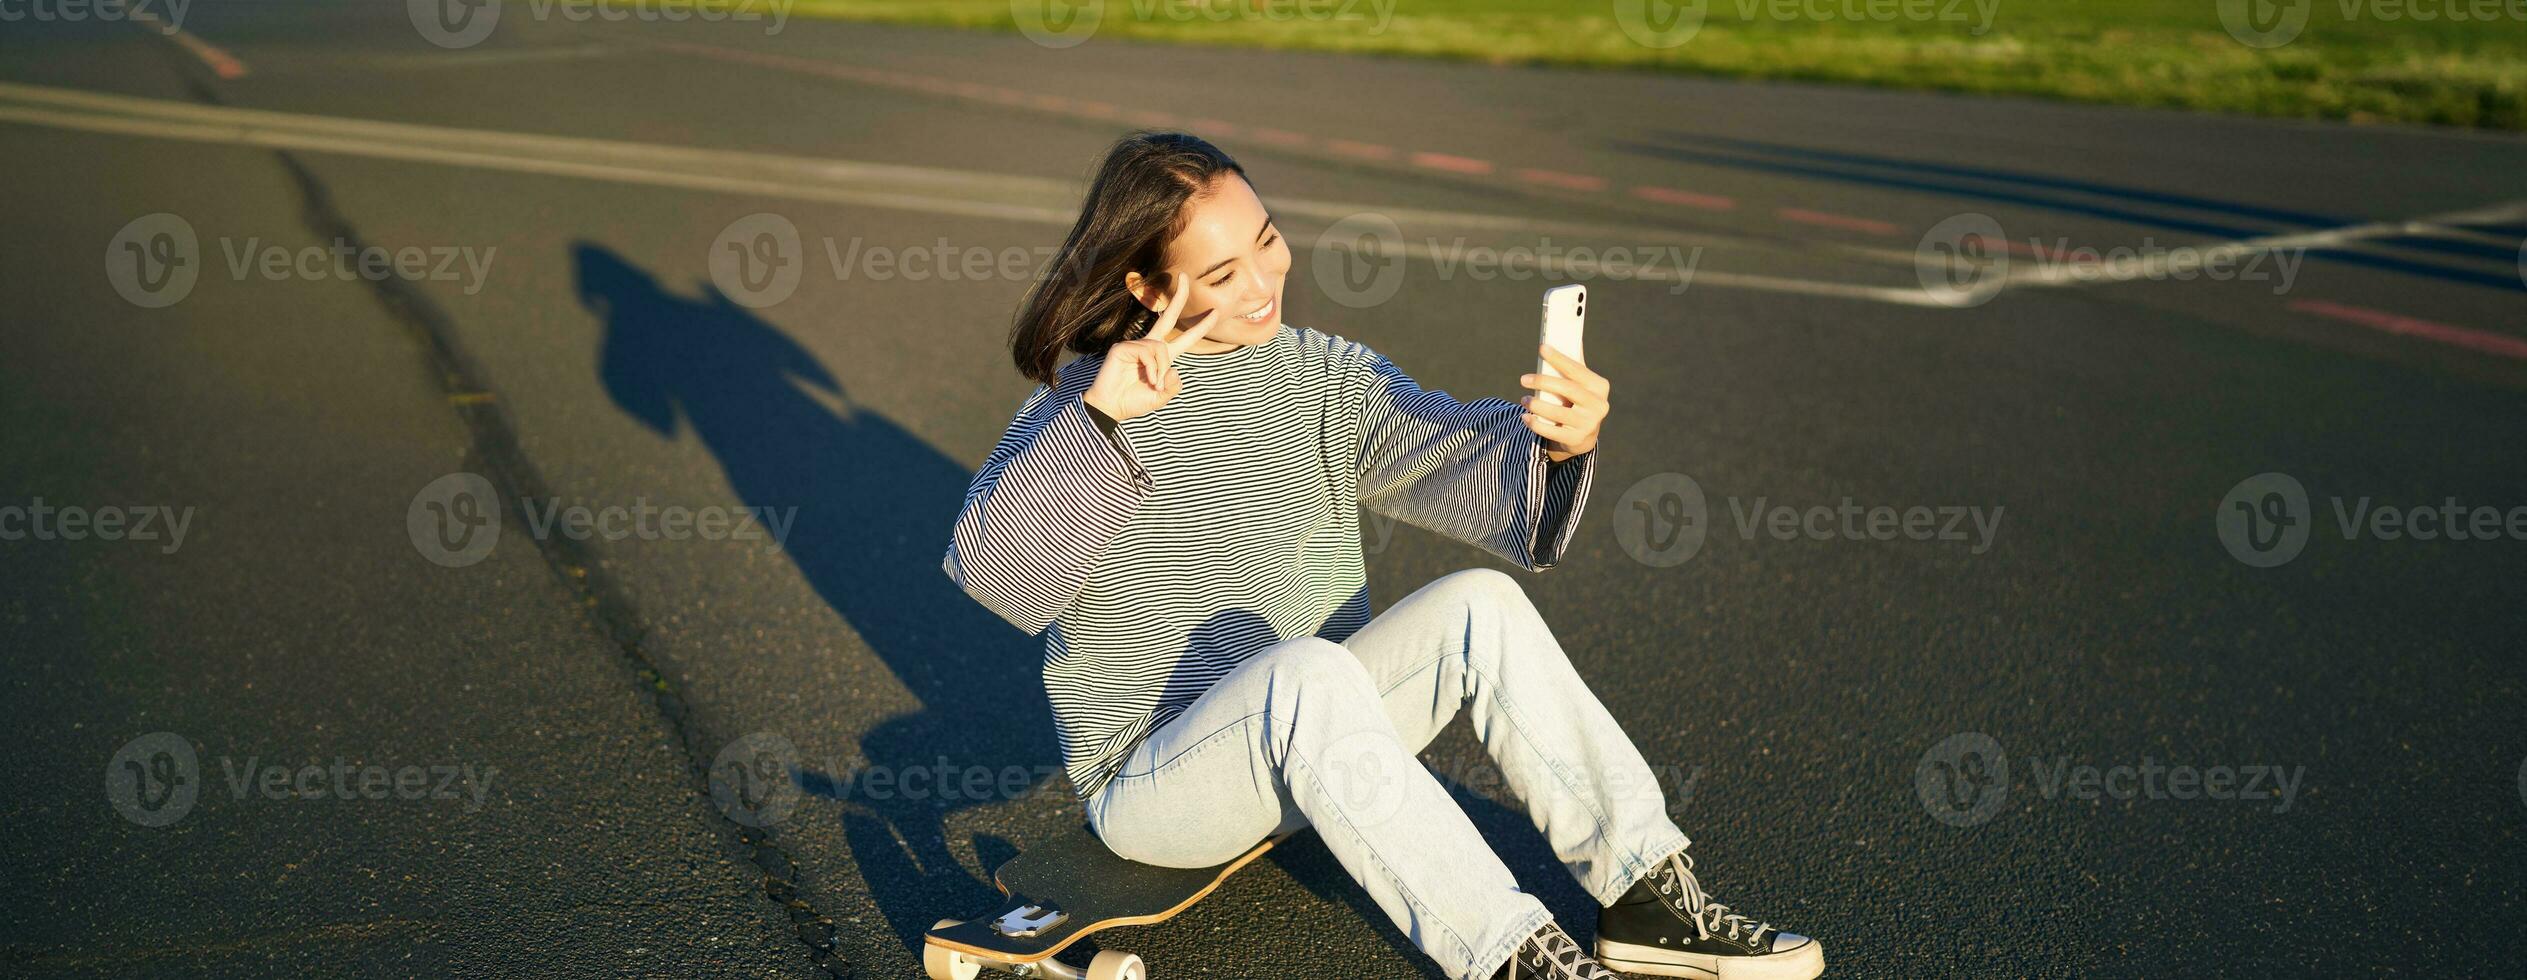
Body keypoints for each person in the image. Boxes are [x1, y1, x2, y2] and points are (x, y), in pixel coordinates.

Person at [943, 131, 1822, 980]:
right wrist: (1100, 428)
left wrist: (1556, 444)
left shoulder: (1319, 376)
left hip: (1325, 741)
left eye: (1266, 241)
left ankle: (1645, 905)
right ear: (1145, 285)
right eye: (1218, 274)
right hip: (1161, 786)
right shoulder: (1081, 407)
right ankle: (1512, 956)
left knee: (1480, 601)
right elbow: (996, 576)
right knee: (1304, 673)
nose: (1260, 283)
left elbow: (1445, 449)